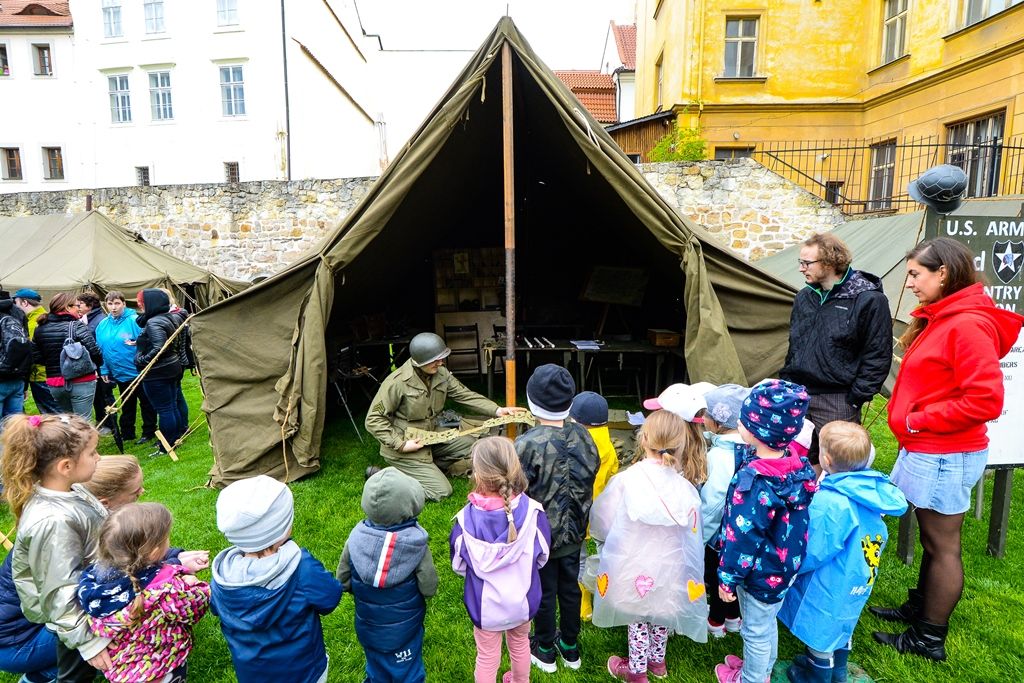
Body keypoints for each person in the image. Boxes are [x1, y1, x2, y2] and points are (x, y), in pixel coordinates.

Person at [874, 237, 1024, 661]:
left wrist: (918, 419)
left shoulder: (966, 324)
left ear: (943, 273)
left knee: (943, 545)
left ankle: (928, 638)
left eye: (916, 275)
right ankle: (921, 608)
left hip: (944, 450)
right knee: (932, 537)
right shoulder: (947, 317)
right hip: (931, 448)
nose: (910, 284)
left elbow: (985, 401)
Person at [0, 453, 207, 683]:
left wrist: (174, 558)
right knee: (124, 619)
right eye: (135, 492)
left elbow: (127, 559)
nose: (142, 494)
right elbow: (72, 603)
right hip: (18, 641)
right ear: (105, 502)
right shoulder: (62, 531)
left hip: (44, 622)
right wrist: (92, 644)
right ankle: (44, 675)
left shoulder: (86, 515)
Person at [779, 422, 907, 683]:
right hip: (858, 576)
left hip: (829, 580)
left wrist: (791, 566)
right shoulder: (868, 492)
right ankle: (838, 670)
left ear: (825, 460)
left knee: (820, 630)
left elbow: (814, 549)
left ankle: (817, 675)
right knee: (841, 624)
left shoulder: (832, 501)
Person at [591, 410, 709, 683]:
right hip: (670, 564)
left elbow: (602, 519)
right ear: (681, 444)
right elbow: (693, 533)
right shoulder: (685, 489)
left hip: (634, 561)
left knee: (637, 616)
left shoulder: (627, 480)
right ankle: (657, 662)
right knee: (661, 611)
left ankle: (636, 671)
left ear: (643, 439)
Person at [712, 380, 816, 683]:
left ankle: (752, 678)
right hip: (785, 566)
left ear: (757, 430)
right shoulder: (796, 466)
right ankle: (760, 670)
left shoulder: (756, 481)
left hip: (758, 572)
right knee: (766, 622)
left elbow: (741, 537)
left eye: (744, 418)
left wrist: (728, 579)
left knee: (755, 630)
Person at [2, 413, 112, 682]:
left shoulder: (69, 490)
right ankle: (43, 676)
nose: (98, 458)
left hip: (65, 611)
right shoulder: (53, 520)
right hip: (26, 637)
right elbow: (59, 592)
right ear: (65, 466)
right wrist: (89, 643)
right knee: (82, 667)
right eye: (93, 453)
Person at [211, 475, 342, 683]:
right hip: (305, 671)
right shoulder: (301, 567)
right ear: (282, 527)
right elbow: (330, 598)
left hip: (252, 675)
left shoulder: (223, 576)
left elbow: (217, 608)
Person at [365, 331, 522, 501]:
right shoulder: (396, 382)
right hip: (407, 445)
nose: (441, 362)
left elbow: (464, 395)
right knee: (441, 491)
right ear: (421, 361)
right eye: (436, 359)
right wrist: (401, 445)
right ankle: (386, 477)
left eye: (441, 357)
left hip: (432, 437)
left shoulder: (441, 373)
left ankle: (429, 466)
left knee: (472, 445)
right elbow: (373, 419)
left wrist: (497, 410)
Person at [780, 232, 893, 464]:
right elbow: (795, 343)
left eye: (807, 263)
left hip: (838, 399)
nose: (801, 268)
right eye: (800, 262)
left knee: (839, 464)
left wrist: (856, 397)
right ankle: (809, 501)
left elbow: (878, 354)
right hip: (799, 394)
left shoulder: (868, 299)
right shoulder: (804, 297)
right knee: (800, 461)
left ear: (830, 262)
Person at [514, 364, 598, 673]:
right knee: (570, 588)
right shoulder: (585, 437)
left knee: (546, 591)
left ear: (530, 401)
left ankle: (546, 647)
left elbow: (514, 491)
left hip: (541, 537)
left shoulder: (525, 445)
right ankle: (571, 647)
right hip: (576, 532)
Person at [450, 437, 551, 683]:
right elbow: (542, 556)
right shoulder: (534, 513)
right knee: (520, 645)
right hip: (523, 602)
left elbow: (459, 565)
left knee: (487, 656)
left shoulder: (464, 522)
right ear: (514, 467)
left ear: (478, 474)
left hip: (485, 608)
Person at [77, 502, 210, 683]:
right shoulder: (166, 588)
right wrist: (195, 584)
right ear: (155, 552)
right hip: (160, 666)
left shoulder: (92, 581)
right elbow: (194, 608)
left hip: (122, 671)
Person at [337, 467, 438, 683]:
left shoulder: (354, 539)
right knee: (408, 673)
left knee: (376, 669)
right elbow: (429, 587)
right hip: (405, 630)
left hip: (368, 627)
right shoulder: (416, 545)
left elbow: (342, 581)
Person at [700, 383, 749, 639]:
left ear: (718, 422)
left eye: (707, 414)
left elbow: (715, 501)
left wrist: (701, 535)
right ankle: (734, 617)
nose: (703, 418)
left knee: (719, 576)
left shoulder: (719, 456)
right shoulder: (749, 447)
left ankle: (715, 621)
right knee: (738, 575)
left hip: (720, 533)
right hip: (745, 531)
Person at [568, 391, 618, 622]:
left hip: (576, 515)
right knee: (602, 558)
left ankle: (583, 606)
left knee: (578, 560)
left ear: (576, 421)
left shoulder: (572, 444)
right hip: (603, 516)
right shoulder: (608, 447)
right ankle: (606, 599)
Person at [96, 291, 158, 445]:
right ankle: (127, 432)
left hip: (138, 370)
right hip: (119, 372)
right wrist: (103, 369)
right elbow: (100, 348)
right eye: (110, 304)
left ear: (123, 304)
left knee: (146, 403)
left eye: (117, 303)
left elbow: (148, 341)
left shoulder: (134, 320)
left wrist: (139, 345)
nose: (114, 307)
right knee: (127, 403)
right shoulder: (102, 325)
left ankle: (149, 431)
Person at [31, 292, 103, 421]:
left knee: (68, 421)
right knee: (83, 422)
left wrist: (55, 363)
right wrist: (95, 365)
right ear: (67, 308)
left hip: (55, 382)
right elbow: (95, 352)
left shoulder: (40, 328)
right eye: (77, 306)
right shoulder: (77, 326)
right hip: (81, 379)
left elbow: (36, 356)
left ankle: (69, 441)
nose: (79, 309)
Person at [135, 289, 189, 456]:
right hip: (170, 367)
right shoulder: (167, 317)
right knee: (171, 406)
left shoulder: (154, 322)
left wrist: (142, 360)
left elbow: (160, 347)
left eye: (142, 302)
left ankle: (166, 445)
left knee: (165, 408)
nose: (139, 305)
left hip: (159, 371)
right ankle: (173, 438)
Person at [12, 289, 61, 415]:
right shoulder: (46, 317)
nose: (15, 307)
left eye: (16, 303)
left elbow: (30, 353)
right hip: (52, 374)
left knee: (52, 415)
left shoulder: (33, 324)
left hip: (40, 375)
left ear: (24, 303)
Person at [77, 291, 111, 434]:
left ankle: (108, 423)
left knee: (104, 395)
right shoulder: (87, 319)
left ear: (89, 306)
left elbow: (98, 345)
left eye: (80, 304)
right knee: (98, 395)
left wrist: (100, 366)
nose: (77, 307)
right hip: (94, 364)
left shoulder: (99, 321)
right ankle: (102, 421)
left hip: (100, 364)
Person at [0, 290, 31, 421]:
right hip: (18, 377)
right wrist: (25, 384)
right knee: (16, 426)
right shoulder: (18, 313)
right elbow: (26, 347)